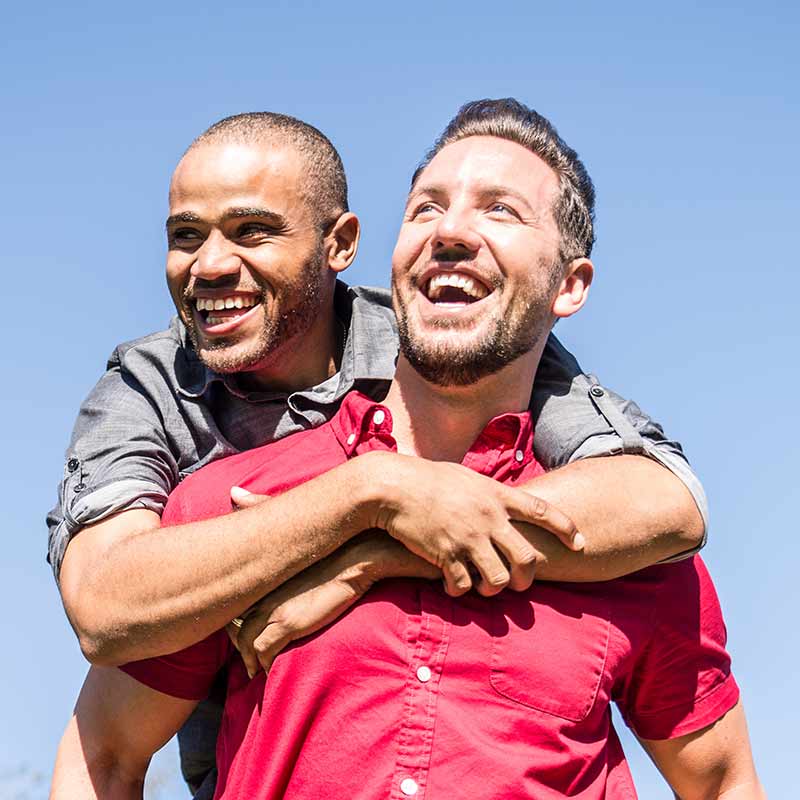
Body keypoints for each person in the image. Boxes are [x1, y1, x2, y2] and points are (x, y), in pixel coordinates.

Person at [51, 99, 762, 799]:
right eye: (425, 208)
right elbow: (104, 729)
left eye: (501, 210)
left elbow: (722, 775)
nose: (451, 230)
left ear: (568, 287)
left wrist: (371, 554)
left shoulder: (625, 541)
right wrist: (370, 492)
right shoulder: (217, 498)